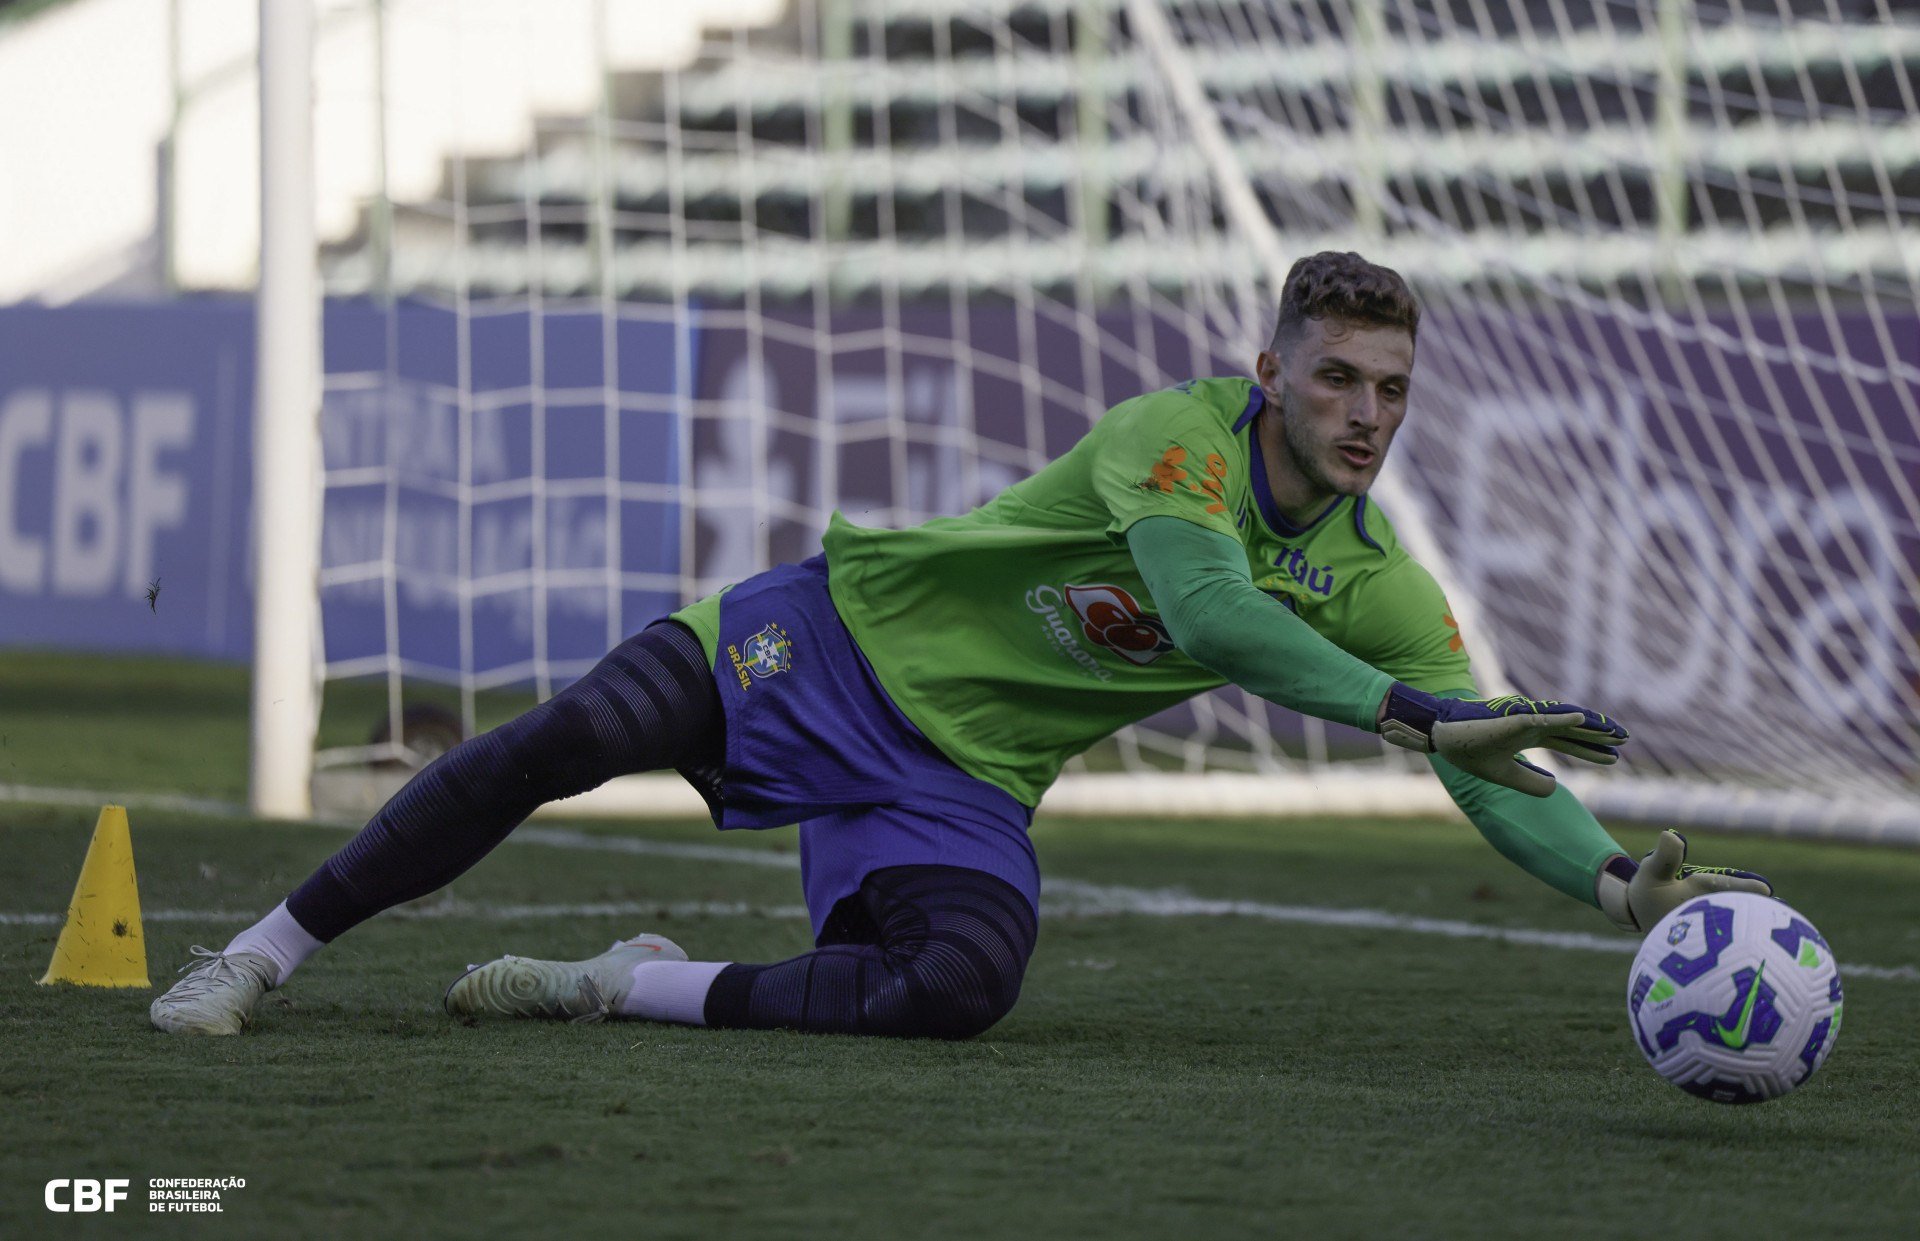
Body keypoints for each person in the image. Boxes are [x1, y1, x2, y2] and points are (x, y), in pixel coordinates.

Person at [150, 251, 1770, 1039]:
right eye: (1339, 376)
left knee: (961, 991)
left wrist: (1616, 882)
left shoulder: (1383, 585)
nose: (1367, 416)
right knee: (566, 737)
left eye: (1393, 390)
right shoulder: (1179, 439)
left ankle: (625, 982)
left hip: (966, 776)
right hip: (833, 636)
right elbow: (1210, 617)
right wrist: (1421, 714)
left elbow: (1492, 764)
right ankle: (261, 956)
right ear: (1267, 369)